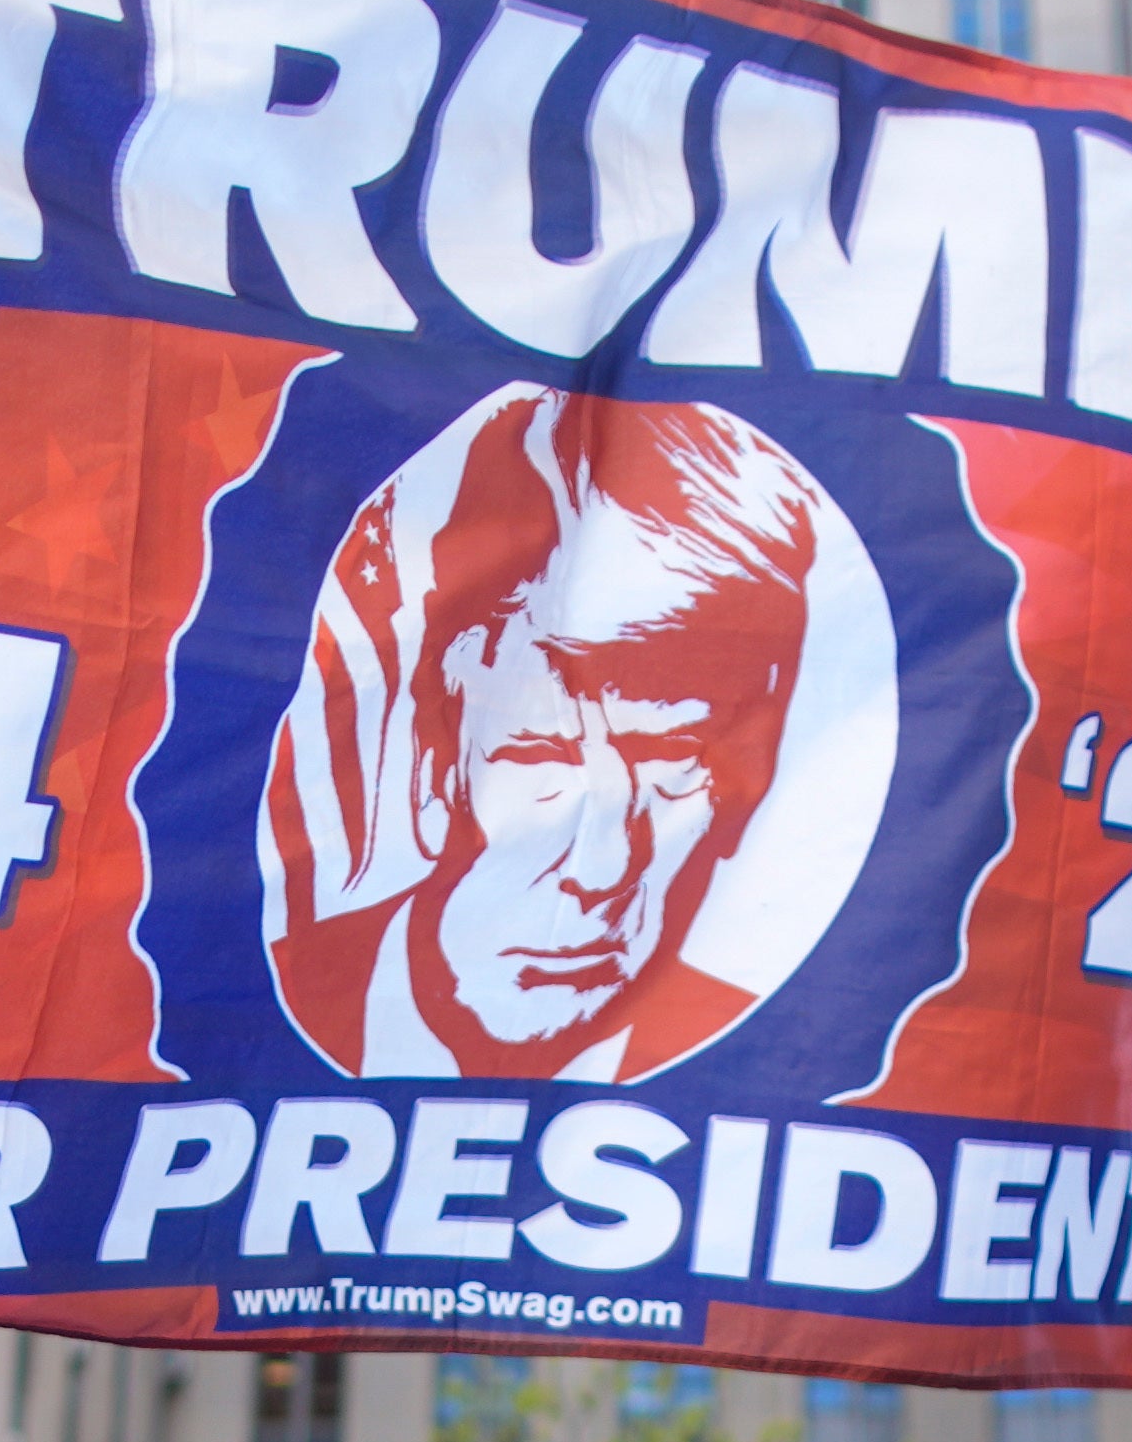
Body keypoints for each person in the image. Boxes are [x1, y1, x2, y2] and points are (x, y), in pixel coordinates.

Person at [264, 387, 851, 1084]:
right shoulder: (242, 1010)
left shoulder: (786, 1067)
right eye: (539, 754)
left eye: (672, 758)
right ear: (430, 768)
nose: (599, 873)